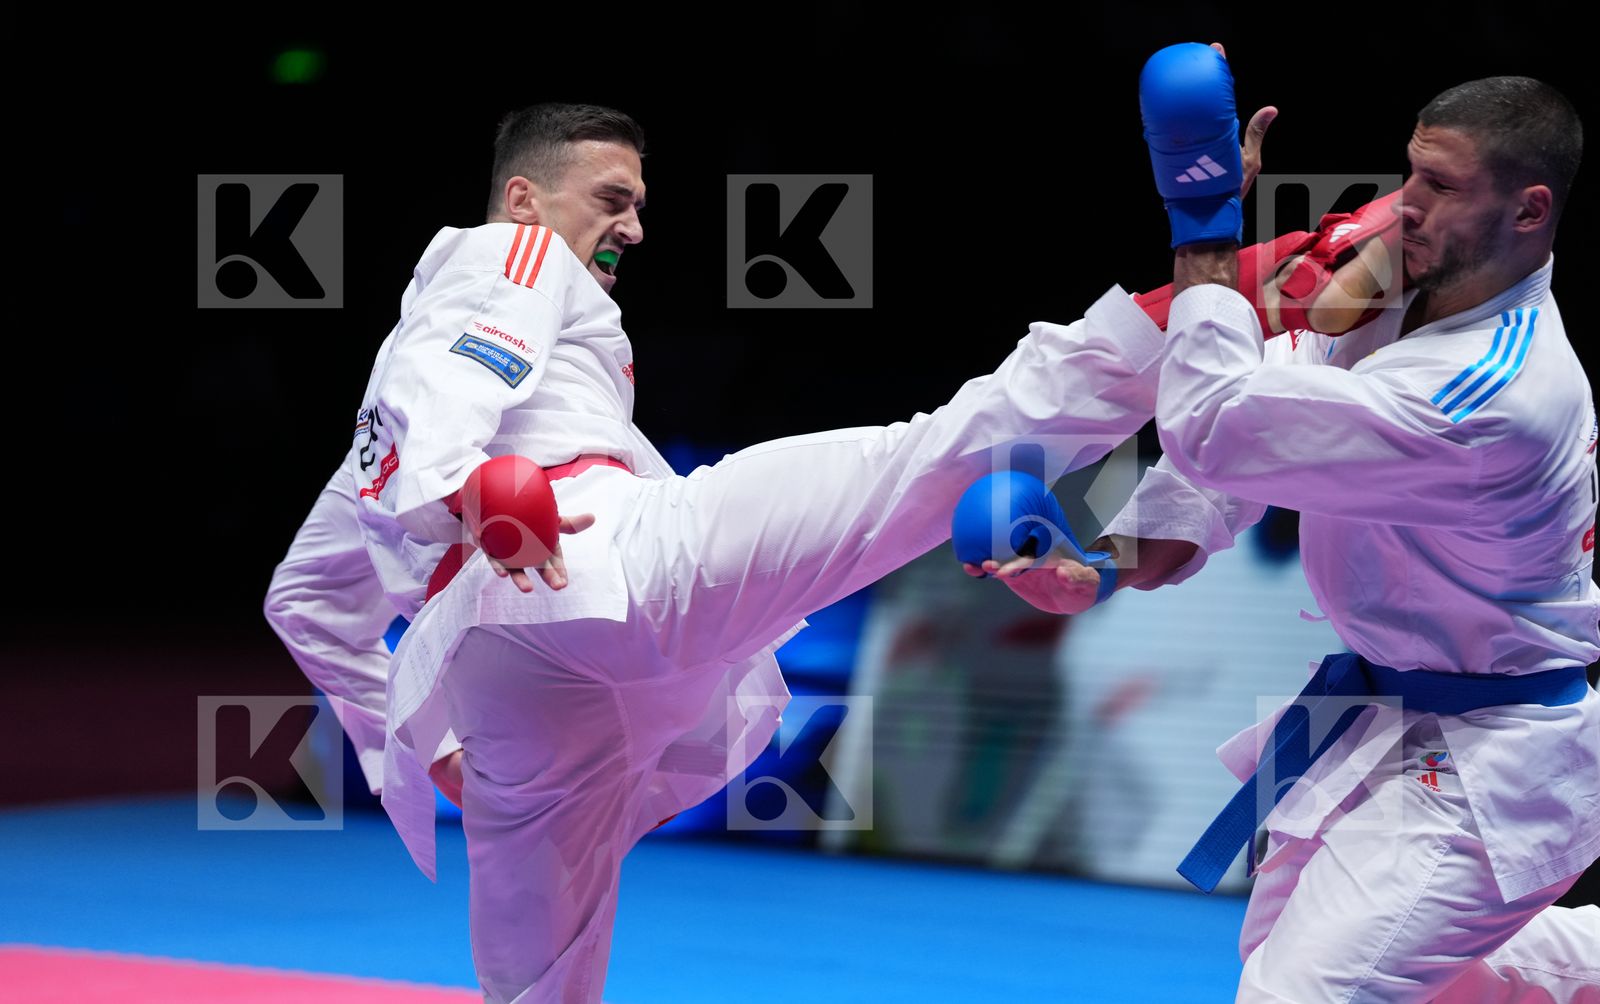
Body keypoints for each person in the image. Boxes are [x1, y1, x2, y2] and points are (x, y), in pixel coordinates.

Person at [272, 99, 1202, 1003]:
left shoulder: (370, 447)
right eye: (612, 197)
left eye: (638, 203)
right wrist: (471, 487)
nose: (634, 227)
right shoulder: (506, 252)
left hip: (515, 684)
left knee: (535, 985)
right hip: (614, 563)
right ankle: (1227, 292)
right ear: (523, 199)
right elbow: (460, 376)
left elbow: (307, 599)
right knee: (926, 457)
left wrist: (431, 748)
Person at [972, 45, 1600, 1002]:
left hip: (1486, 756)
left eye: (1439, 184)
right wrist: (1105, 566)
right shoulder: (1401, 278)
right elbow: (1279, 395)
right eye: (1410, 171)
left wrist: (1205, 222)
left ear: (1528, 210)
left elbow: (1223, 428)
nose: (1408, 202)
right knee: (1391, 978)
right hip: (1379, 714)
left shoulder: (1492, 394)